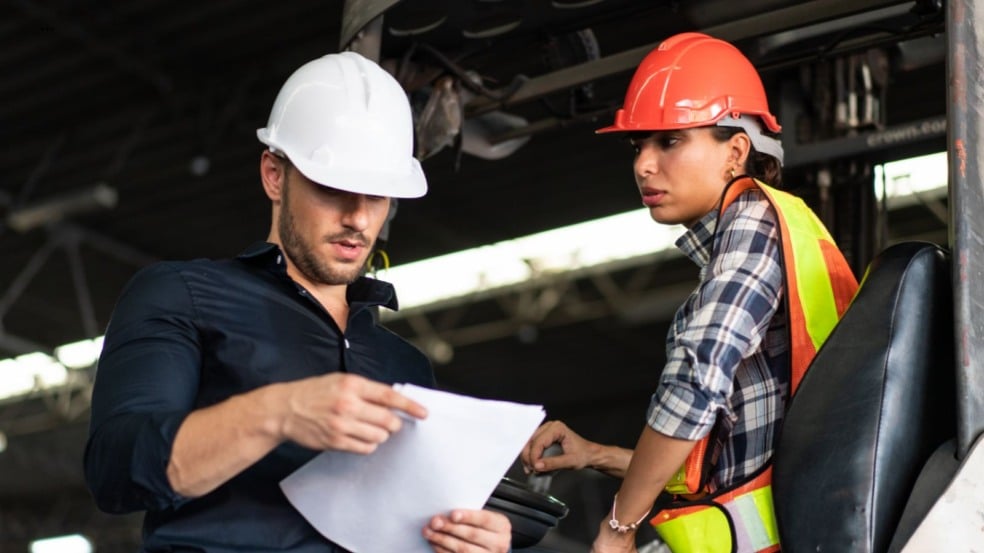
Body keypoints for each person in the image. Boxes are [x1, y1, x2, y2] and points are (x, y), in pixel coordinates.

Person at [84, 51, 511, 553]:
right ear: (274, 174)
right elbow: (116, 470)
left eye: (378, 195)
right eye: (335, 187)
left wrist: (465, 540)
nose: (358, 218)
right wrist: (277, 412)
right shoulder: (182, 294)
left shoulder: (405, 366)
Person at [521, 32, 858, 553]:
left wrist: (619, 525)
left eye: (670, 141)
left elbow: (695, 385)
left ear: (736, 151)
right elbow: (725, 466)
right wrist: (597, 455)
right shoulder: (781, 229)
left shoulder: (753, 225)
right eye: (638, 146)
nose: (643, 164)